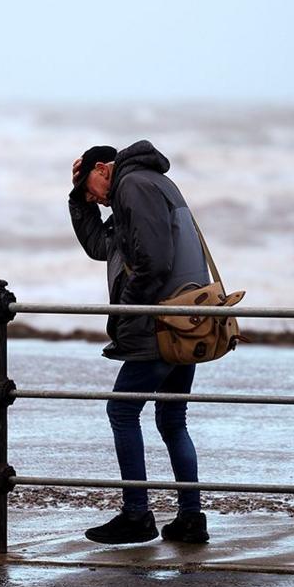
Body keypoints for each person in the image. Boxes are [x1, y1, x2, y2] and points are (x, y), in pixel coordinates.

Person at [68, 140, 210, 544]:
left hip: (160, 321)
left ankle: (136, 515)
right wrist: (77, 202)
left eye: (89, 190)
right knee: (171, 419)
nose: (95, 199)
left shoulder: (133, 187)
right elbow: (102, 247)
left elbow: (155, 259)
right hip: (186, 316)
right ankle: (189, 519)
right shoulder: (152, 182)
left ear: (101, 169)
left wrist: (129, 312)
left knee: (122, 412)